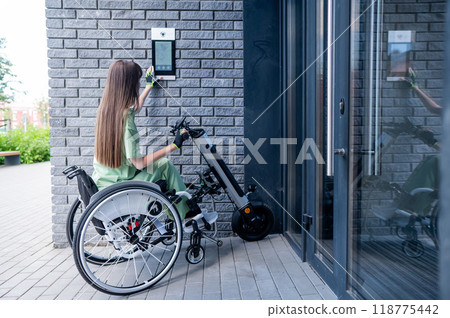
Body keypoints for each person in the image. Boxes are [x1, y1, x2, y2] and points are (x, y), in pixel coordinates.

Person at [92, 60, 217, 228]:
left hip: (105, 183)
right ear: (129, 86)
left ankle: (180, 212)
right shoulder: (126, 122)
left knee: (159, 168)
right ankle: (186, 215)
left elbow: (134, 108)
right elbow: (138, 163)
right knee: (164, 165)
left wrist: (149, 86)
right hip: (122, 187)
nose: (137, 85)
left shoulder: (106, 112)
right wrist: (174, 146)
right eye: (136, 82)